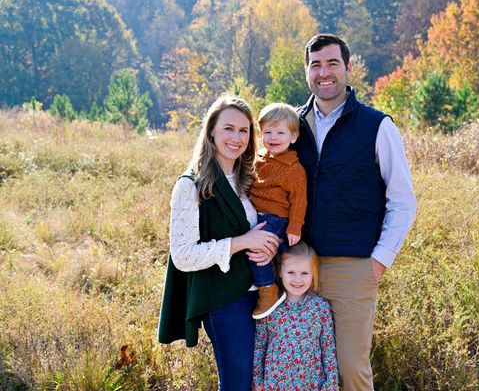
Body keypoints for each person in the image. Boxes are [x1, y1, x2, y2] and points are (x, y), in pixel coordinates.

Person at [294, 33, 417, 390]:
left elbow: (403, 200)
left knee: (351, 370)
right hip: (300, 267)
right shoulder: (292, 126)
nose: (324, 72)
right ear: (307, 72)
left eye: (332, 63)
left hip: (353, 268)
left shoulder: (377, 126)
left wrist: (379, 261)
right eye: (316, 64)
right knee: (304, 369)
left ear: (348, 69)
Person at [157, 95, 281, 391]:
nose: (236, 138)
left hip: (263, 292)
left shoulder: (250, 178)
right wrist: (242, 242)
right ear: (211, 130)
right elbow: (183, 256)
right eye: (228, 128)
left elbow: (260, 227)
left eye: (244, 130)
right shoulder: (191, 185)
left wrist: (268, 244)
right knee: (237, 383)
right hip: (225, 299)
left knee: (261, 382)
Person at [252, 242, 339, 390]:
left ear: (313, 274)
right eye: (291, 272)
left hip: (311, 384)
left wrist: (330, 385)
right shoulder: (269, 305)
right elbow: (260, 344)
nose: (297, 279)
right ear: (280, 271)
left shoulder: (321, 307)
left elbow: (328, 348)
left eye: (304, 273)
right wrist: (257, 381)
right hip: (274, 384)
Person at [248, 102, 307, 319]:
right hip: (257, 214)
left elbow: (299, 201)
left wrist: (294, 227)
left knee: (258, 252)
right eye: (268, 132)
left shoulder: (294, 169)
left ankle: (267, 290)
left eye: (280, 132)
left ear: (293, 137)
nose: (273, 137)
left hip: (276, 217)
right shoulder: (258, 159)